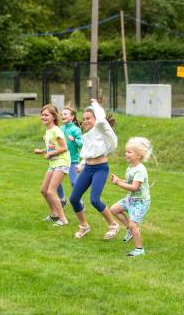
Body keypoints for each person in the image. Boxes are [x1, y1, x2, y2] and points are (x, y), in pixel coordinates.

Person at [69, 99, 120, 240]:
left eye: (88, 118)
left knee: (94, 199)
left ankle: (113, 225)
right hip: (88, 169)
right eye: (83, 119)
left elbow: (102, 118)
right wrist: (81, 165)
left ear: (95, 119)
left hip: (100, 168)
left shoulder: (100, 128)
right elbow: (88, 154)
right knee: (73, 198)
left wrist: (96, 105)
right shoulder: (86, 136)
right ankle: (84, 226)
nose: (85, 121)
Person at [110, 137, 152, 257]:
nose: (126, 154)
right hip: (131, 199)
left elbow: (134, 187)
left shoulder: (140, 170)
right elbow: (130, 182)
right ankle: (129, 229)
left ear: (139, 155)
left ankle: (139, 249)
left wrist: (119, 183)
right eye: (126, 151)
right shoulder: (131, 167)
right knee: (114, 209)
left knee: (134, 225)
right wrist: (119, 180)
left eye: (129, 152)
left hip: (140, 202)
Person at [33, 104, 70, 226]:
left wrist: (50, 154)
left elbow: (64, 148)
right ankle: (54, 214)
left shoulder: (56, 130)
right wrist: (43, 151)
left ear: (53, 117)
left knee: (51, 191)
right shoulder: (48, 131)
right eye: (42, 115)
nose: (43, 117)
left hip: (62, 162)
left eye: (46, 115)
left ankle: (63, 219)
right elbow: (52, 146)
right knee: (43, 190)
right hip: (53, 163)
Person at [56, 106, 83, 207]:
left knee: (73, 182)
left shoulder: (76, 129)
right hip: (61, 159)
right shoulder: (60, 129)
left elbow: (82, 144)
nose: (63, 116)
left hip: (73, 160)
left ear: (72, 117)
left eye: (65, 114)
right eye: (62, 114)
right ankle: (62, 200)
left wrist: (74, 140)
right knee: (56, 181)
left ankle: (78, 199)